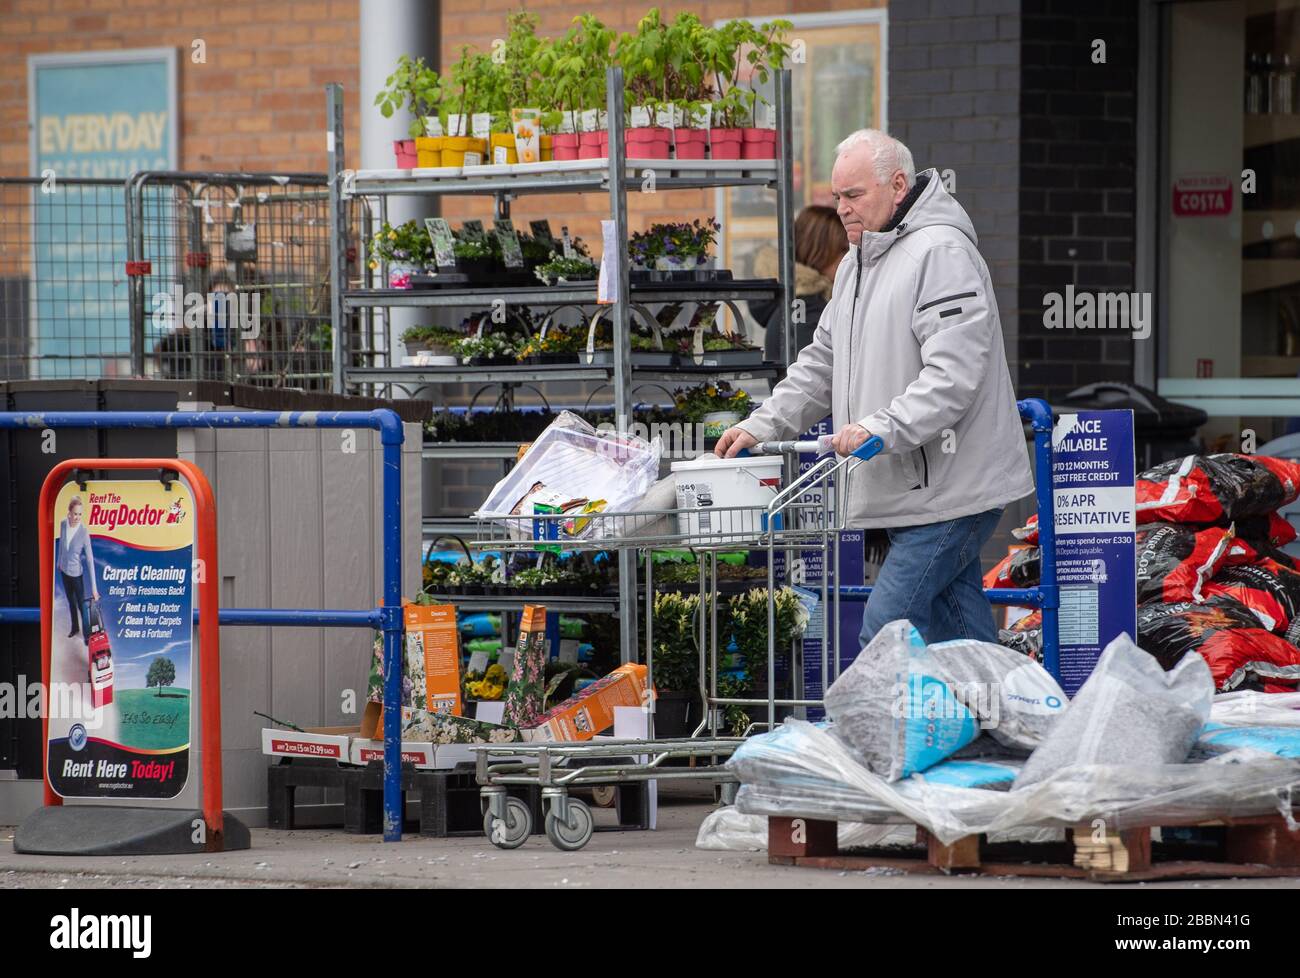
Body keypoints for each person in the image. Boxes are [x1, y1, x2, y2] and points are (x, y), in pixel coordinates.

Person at [716, 129, 1033, 646]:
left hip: (951, 490)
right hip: (919, 488)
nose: (842, 209)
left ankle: (876, 727)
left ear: (898, 185)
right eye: (836, 196)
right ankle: (998, 721)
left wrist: (877, 428)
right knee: (964, 643)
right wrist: (761, 424)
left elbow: (954, 376)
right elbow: (821, 362)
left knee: (884, 635)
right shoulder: (857, 266)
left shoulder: (939, 253)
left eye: (855, 195)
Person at [751, 205, 849, 362]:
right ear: (819, 252)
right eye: (843, 250)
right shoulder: (805, 306)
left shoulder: (799, 301)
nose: (848, 258)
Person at [57, 495, 98, 645]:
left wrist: (94, 588)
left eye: (80, 514)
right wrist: (59, 561)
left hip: (76, 575)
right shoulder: (63, 524)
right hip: (64, 571)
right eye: (75, 514)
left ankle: (87, 637)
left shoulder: (84, 533)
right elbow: (62, 543)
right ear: (69, 512)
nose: (77, 517)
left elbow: (89, 560)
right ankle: (75, 628)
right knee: (70, 601)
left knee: (82, 605)